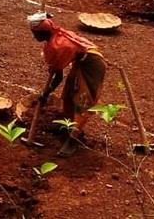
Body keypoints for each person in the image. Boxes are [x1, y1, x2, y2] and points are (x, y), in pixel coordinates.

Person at [26, 13, 107, 157]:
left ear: (42, 32)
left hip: (92, 65)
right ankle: (68, 125)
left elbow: (58, 77)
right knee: (69, 94)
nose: (33, 37)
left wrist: (46, 93)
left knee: (83, 101)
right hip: (81, 62)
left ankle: (73, 139)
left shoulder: (58, 46)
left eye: (34, 34)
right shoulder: (53, 39)